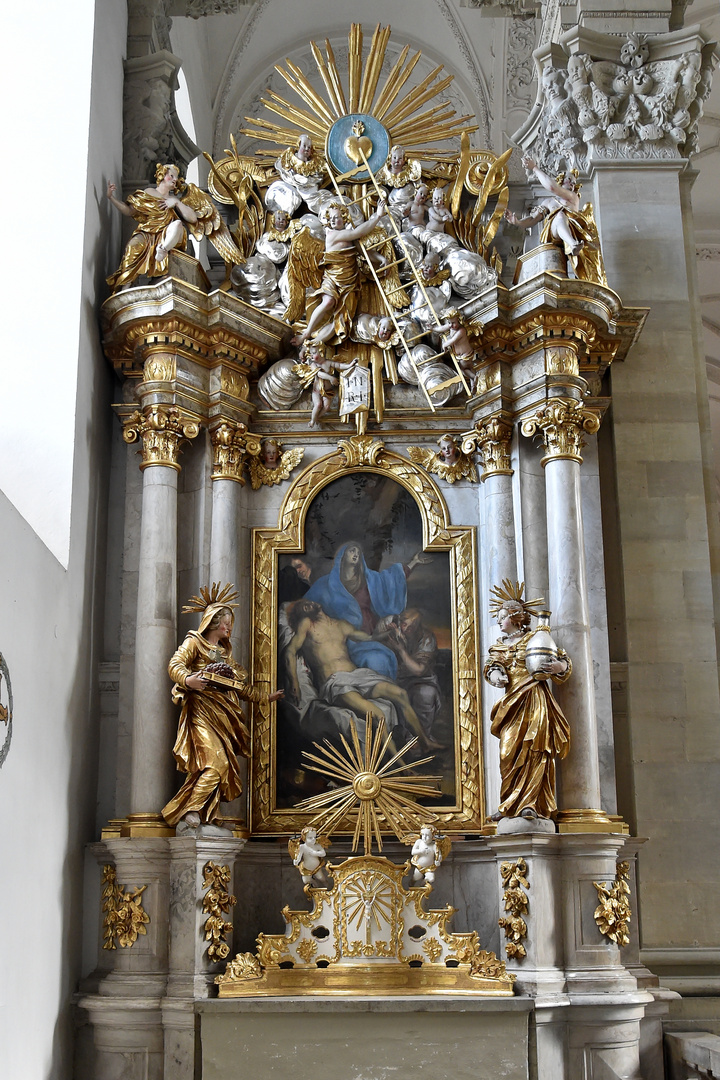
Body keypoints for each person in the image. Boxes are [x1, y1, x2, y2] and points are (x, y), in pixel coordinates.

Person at [162, 585, 283, 830]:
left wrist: (266, 698)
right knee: (214, 763)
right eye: (226, 623)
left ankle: (202, 811)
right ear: (213, 622)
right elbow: (175, 664)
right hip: (201, 712)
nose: (229, 628)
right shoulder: (194, 643)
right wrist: (188, 680)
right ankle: (191, 810)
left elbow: (239, 687)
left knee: (222, 764)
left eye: (230, 623)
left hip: (223, 717)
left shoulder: (225, 657)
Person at [284, 599, 441, 750]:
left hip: (358, 675)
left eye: (307, 603)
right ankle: (398, 763)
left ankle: (425, 742)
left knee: (400, 694)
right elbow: (290, 651)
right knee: (378, 715)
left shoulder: (342, 625)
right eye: (303, 606)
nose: (306, 605)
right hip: (336, 680)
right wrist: (294, 683)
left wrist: (386, 634)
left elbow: (369, 638)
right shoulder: (307, 624)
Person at [483, 587, 571, 821]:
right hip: (511, 704)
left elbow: (560, 659)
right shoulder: (499, 646)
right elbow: (492, 666)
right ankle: (509, 803)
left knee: (535, 749)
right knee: (508, 753)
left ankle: (530, 804)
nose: (499, 622)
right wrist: (496, 676)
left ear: (514, 617)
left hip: (534, 698)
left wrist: (559, 667)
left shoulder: (536, 638)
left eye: (502, 618)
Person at [304, 542, 431, 677]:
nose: (356, 555)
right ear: (342, 555)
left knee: (380, 660)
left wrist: (413, 563)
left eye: (358, 553)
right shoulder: (326, 584)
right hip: (338, 637)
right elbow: (304, 605)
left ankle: (381, 697)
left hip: (367, 634)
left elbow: (391, 581)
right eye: (352, 551)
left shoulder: (369, 580)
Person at [291, 197, 387, 347]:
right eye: (332, 218)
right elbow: (359, 232)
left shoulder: (350, 236)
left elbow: (364, 252)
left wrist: (381, 259)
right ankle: (306, 333)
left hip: (349, 282)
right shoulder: (332, 235)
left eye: (338, 217)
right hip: (333, 278)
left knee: (341, 321)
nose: (335, 220)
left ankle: (315, 343)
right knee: (328, 301)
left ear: (344, 217)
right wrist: (378, 215)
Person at [505, 156, 607, 286]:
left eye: (574, 182)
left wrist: (534, 168)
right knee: (559, 216)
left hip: (572, 229)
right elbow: (532, 219)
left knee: (561, 217)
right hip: (552, 234)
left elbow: (553, 188)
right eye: (569, 180)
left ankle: (573, 244)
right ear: (560, 181)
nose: (572, 184)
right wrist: (517, 222)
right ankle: (573, 245)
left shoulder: (573, 198)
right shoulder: (548, 202)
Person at [106, 163, 199, 291]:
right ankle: (124, 290)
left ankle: (163, 249)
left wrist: (176, 202)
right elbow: (129, 211)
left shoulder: (174, 200)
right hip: (147, 232)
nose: (174, 180)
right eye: (171, 176)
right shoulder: (148, 193)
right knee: (132, 248)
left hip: (166, 235)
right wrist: (111, 198)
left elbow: (193, 218)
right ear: (162, 175)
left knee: (177, 225)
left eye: (176, 179)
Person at [377, 608, 442, 740]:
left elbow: (418, 670)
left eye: (412, 627)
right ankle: (400, 739)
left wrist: (401, 650)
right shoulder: (390, 624)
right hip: (393, 678)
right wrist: (386, 635)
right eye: (404, 624)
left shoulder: (426, 638)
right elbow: (372, 641)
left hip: (421, 681)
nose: (406, 629)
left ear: (418, 627)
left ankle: (420, 739)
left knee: (425, 694)